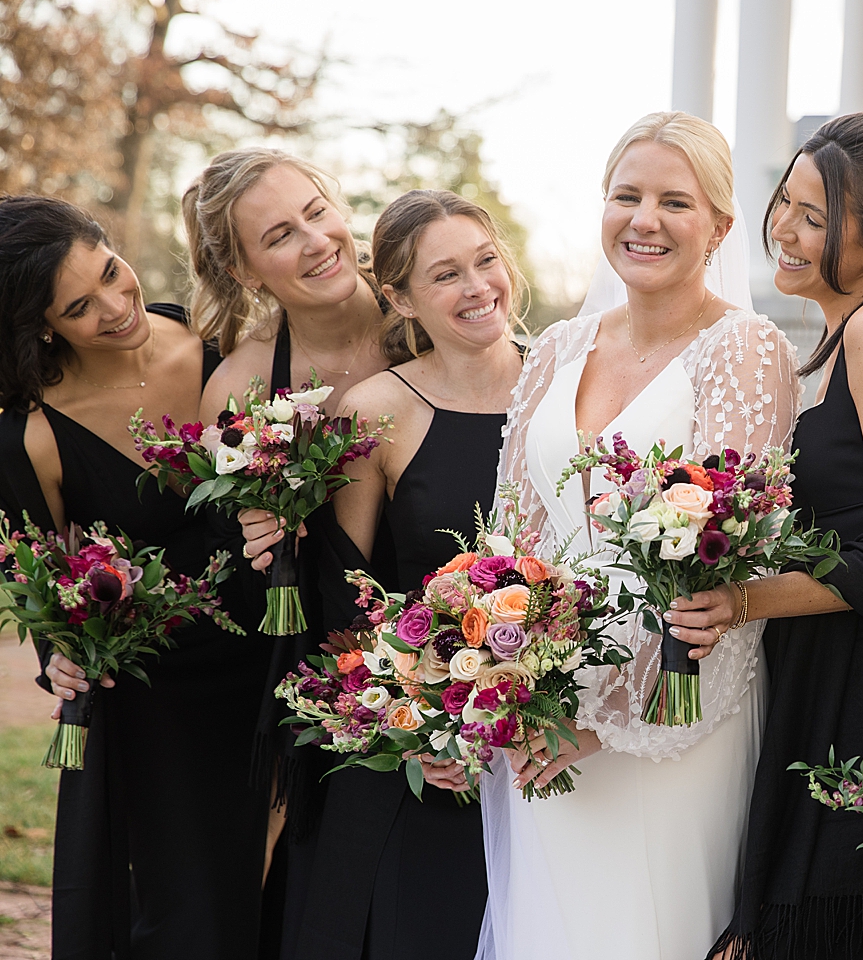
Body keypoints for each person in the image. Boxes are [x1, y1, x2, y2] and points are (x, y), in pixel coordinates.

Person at [465, 111, 799, 960]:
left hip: (675, 711)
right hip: (546, 711)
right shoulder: (555, 348)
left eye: (674, 202)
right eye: (626, 195)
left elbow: (726, 561)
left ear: (719, 227)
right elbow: (510, 543)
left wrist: (609, 722)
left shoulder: (747, 351)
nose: (644, 219)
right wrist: (510, 699)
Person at [668, 111, 863, 960]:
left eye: (815, 218)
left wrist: (740, 600)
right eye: (786, 202)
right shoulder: (825, 343)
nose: (785, 228)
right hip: (827, 672)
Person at [0, 195, 269, 958]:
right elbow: (46, 581)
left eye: (113, 274)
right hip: (162, 702)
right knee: (193, 911)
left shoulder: (224, 338)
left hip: (287, 656)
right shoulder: (35, 435)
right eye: (80, 307)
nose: (118, 308)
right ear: (41, 326)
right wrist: (57, 654)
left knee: (297, 885)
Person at [279, 190, 526, 958]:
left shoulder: (564, 379)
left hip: (553, 738)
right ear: (398, 295)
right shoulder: (379, 409)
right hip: (428, 744)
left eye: (485, 261)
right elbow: (346, 593)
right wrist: (413, 727)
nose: (477, 286)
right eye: (446, 274)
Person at [180, 147, 390, 935]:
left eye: (316, 211)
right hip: (321, 674)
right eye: (280, 236)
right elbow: (223, 563)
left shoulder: (427, 323)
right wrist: (253, 534)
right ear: (244, 271)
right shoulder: (237, 385)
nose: (315, 241)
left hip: (463, 639)